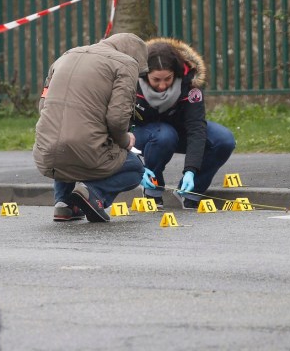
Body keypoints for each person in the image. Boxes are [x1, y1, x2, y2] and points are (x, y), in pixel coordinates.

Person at [33, 33, 149, 222]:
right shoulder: (126, 64)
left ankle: (63, 205)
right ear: (136, 57)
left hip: (45, 153)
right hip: (87, 151)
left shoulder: (65, 56)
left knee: (65, 138)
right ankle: (92, 194)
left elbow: (42, 106)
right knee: (135, 168)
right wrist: (126, 140)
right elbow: (117, 119)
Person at [133, 37, 236, 209]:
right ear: (145, 74)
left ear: (176, 72)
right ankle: (153, 189)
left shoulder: (190, 85)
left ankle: (190, 192)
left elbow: (196, 128)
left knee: (224, 140)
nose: (162, 85)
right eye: (156, 80)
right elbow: (119, 126)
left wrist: (191, 170)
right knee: (165, 135)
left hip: (179, 133)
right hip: (143, 134)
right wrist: (136, 166)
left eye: (168, 78)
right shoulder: (130, 84)